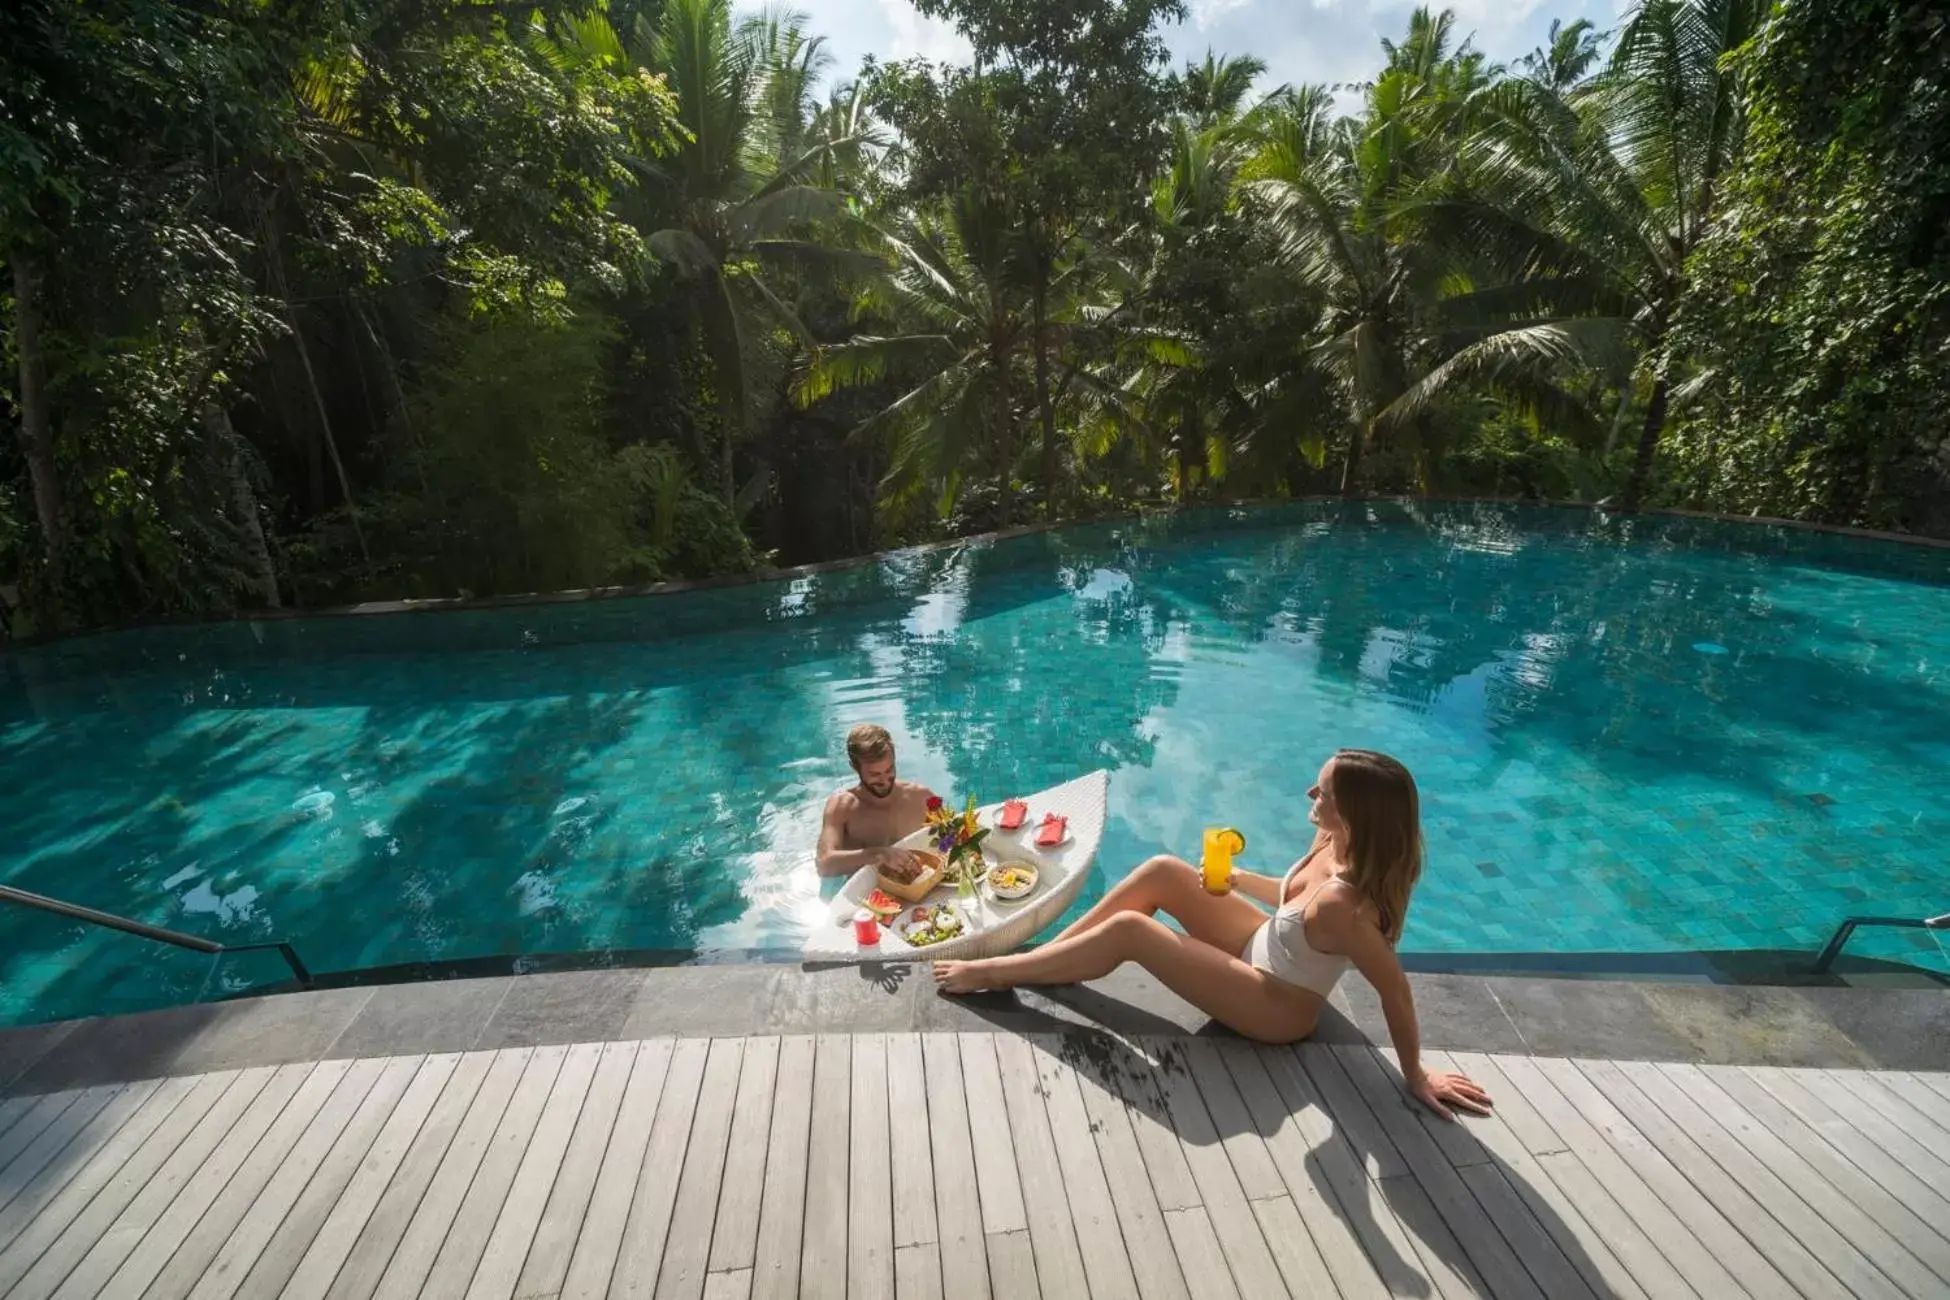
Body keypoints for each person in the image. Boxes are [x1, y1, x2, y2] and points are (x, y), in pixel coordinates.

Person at [933, 749, 1493, 1120]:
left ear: (1350, 815)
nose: (1309, 795)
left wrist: (1415, 1074)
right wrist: (1240, 881)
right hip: (1265, 950)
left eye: (1321, 794)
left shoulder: (1347, 908)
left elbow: (1394, 988)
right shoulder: (1332, 843)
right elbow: (1290, 896)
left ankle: (997, 973)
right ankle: (1056, 957)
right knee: (1162, 870)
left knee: (1132, 931)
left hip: (1278, 1008)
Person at [816, 723, 942, 880]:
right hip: (866, 895)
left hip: (921, 885)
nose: (884, 781)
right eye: (874, 774)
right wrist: (878, 854)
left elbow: (953, 837)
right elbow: (824, 865)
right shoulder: (842, 807)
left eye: (889, 770)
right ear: (855, 767)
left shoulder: (922, 797)